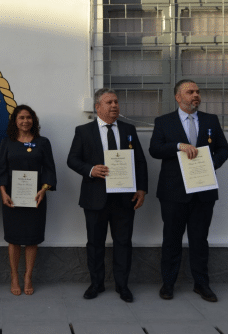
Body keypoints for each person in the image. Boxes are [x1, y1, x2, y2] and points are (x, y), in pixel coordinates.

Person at [149, 79, 228, 302]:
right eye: (190, 92)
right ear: (178, 97)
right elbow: (154, 149)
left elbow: (224, 149)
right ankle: (168, 284)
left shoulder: (210, 120)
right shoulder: (164, 122)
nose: (196, 95)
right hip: (173, 192)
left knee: (199, 239)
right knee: (172, 239)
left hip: (203, 191)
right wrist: (177, 146)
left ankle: (202, 284)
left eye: (197, 91)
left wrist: (211, 164)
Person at [67, 88, 148, 303]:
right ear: (97, 107)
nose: (114, 106)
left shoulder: (129, 130)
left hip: (124, 198)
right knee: (95, 243)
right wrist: (91, 170)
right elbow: (72, 159)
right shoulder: (84, 131)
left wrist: (142, 189)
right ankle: (96, 284)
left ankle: (123, 286)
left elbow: (139, 161)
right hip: (95, 198)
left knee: (123, 242)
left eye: (116, 102)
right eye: (109, 102)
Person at [0, 104, 56, 296]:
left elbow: (49, 170)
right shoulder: (7, 142)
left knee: (31, 239)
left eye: (28, 117)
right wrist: (3, 193)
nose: (25, 121)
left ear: (33, 120)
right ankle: (14, 276)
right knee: (13, 239)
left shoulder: (43, 142)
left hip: (35, 197)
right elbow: (1, 169)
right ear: (15, 121)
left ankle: (28, 276)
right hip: (12, 198)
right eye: (21, 118)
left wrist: (44, 190)